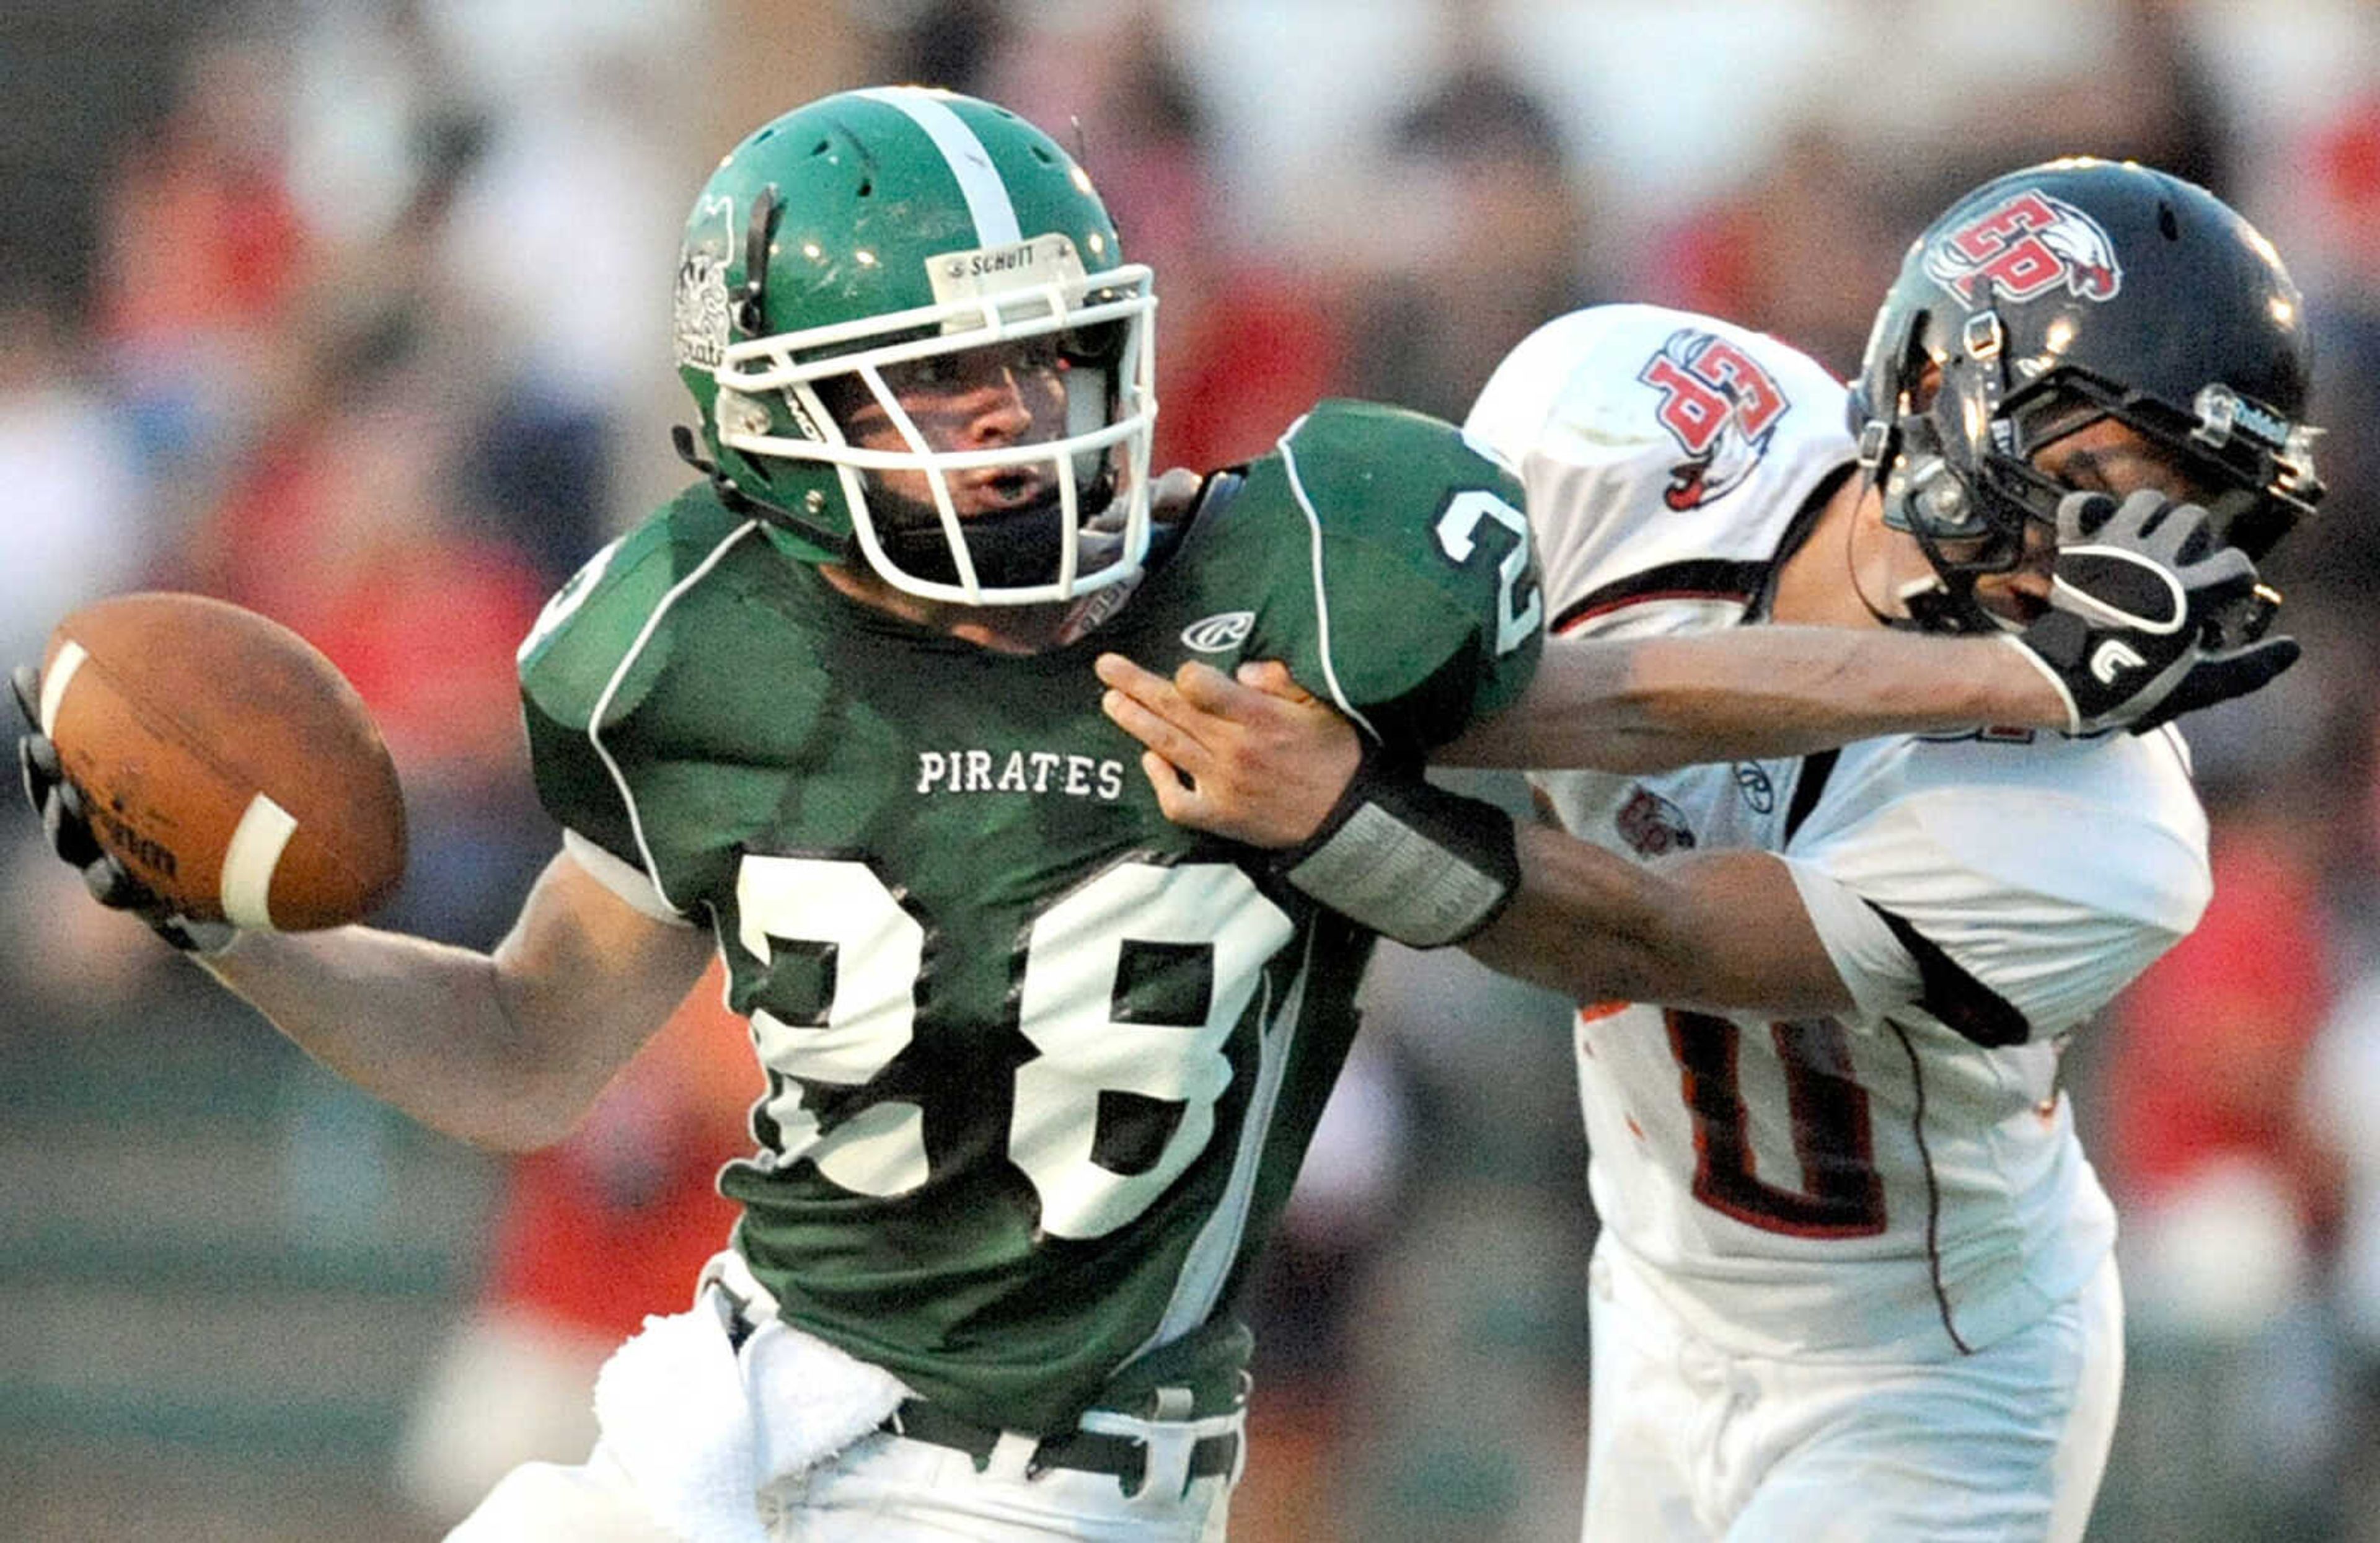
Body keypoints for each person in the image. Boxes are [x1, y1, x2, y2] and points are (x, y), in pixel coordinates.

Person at [9, 92, 2294, 1540]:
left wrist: (1341, 812)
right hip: (750, 1387)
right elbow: (523, 1049)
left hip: (1855, 1364)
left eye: (1055, 361)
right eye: (945, 385)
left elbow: (1622, 893)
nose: (1024, 430)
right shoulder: (675, 641)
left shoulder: (2105, 837)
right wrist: (231, 927)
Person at [1092, 157, 2327, 1542]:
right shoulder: (1619, 418)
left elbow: (1643, 934)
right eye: (2096, 480)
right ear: (1939, 381)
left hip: (1926, 1376)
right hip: (1657, 1301)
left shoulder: (2114, 832)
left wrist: (1345, 818)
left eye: (2184, 518)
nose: (2130, 562)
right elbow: (1408, 675)